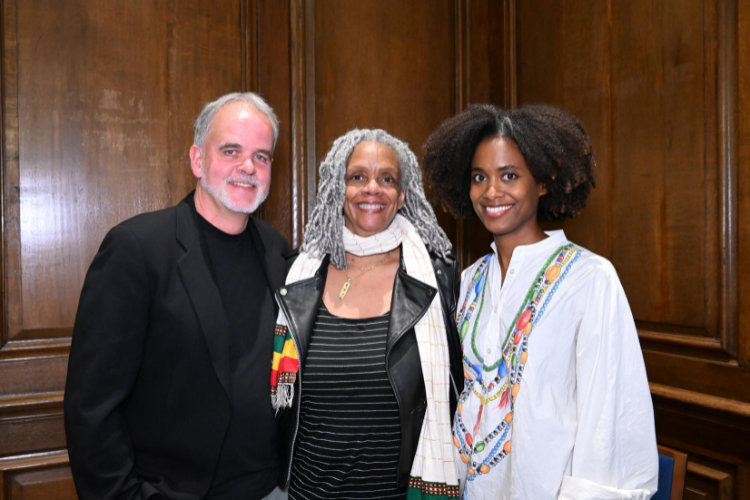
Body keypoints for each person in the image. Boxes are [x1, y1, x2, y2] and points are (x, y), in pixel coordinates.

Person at [422, 104, 659, 500]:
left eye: (509, 176)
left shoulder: (589, 278)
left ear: (544, 182)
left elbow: (609, 416)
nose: (492, 192)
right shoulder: (469, 281)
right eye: (479, 177)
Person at [64, 92, 290, 500]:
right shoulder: (137, 248)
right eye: (231, 150)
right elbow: (91, 408)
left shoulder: (278, 251)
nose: (248, 167)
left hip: (270, 490)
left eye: (262, 156)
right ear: (198, 160)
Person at [270, 129, 463, 499]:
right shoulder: (298, 274)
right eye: (357, 176)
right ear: (336, 190)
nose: (372, 188)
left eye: (386, 179)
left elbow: (460, 390)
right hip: (307, 493)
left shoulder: (437, 276)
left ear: (403, 194)